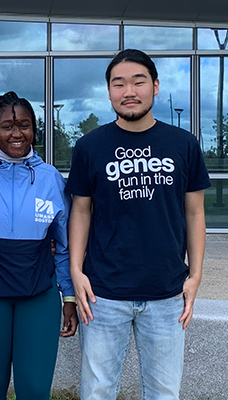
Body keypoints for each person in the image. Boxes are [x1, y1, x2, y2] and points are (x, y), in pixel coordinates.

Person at [67, 49, 210, 400]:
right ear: (109, 92)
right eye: (119, 84)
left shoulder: (184, 145)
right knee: (97, 391)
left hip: (166, 293)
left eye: (138, 81)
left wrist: (195, 277)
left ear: (156, 86)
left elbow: (195, 213)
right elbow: (81, 211)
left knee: (164, 393)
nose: (128, 91)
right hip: (103, 293)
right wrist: (75, 270)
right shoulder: (89, 146)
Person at [0, 91, 77, 400]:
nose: (17, 133)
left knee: (34, 389)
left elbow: (64, 245)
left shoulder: (51, 179)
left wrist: (70, 295)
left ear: (34, 129)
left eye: (24, 125)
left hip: (38, 291)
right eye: (7, 126)